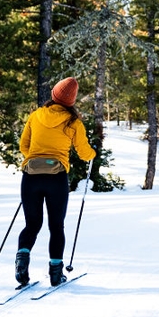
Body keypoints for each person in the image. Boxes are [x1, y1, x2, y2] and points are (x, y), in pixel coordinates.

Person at [16, 77, 96, 287]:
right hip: (57, 178)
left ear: (53, 94)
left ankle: (22, 264)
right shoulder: (73, 122)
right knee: (56, 226)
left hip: (31, 177)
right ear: (71, 100)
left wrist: (36, 158)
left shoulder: (36, 115)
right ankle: (55, 273)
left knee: (32, 224)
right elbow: (84, 153)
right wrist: (92, 154)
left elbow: (23, 145)